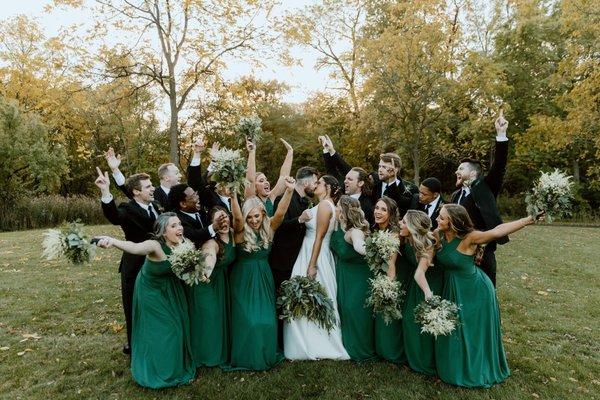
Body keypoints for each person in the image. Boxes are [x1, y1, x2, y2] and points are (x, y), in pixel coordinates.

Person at [435, 204, 539, 388]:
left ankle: (476, 369)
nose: (437, 219)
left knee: (472, 330)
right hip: (452, 288)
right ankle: (456, 367)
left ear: (453, 222)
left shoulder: (469, 237)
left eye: (441, 217)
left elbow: (497, 231)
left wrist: (528, 219)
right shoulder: (439, 235)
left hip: (475, 291)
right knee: (455, 329)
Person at [94, 213, 195, 389]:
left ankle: (175, 367)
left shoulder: (185, 244)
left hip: (171, 289)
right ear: (164, 232)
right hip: (151, 291)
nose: (179, 228)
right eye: (173, 226)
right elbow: (134, 247)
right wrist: (112, 241)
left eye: (179, 224)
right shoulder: (154, 245)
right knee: (163, 330)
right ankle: (159, 371)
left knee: (177, 327)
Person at [223, 177, 296, 371]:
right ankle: (246, 356)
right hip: (242, 280)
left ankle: (265, 353)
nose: (254, 221)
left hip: (264, 277)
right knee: (248, 321)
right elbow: (237, 218)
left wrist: (289, 191)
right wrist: (233, 197)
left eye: (257, 216)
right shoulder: (239, 232)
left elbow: (280, 213)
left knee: (266, 321)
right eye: (250, 217)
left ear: (263, 214)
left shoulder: (269, 229)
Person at [95, 167, 160, 355]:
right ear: (136, 192)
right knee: (133, 306)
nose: (152, 188)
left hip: (156, 263)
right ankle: (135, 346)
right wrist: (105, 191)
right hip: (135, 266)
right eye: (148, 186)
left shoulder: (155, 206)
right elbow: (114, 217)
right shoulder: (127, 208)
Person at [283, 175, 349, 361]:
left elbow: (319, 237)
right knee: (309, 296)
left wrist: (312, 265)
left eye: (319, 182)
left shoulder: (326, 206)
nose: (315, 184)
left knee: (313, 295)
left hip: (314, 254)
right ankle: (305, 341)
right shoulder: (324, 205)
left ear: (327, 187)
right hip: (310, 251)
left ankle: (316, 344)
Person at [451, 110, 510, 286]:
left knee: (485, 289)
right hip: (459, 250)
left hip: (482, 252)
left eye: (461, 169)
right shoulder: (455, 195)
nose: (457, 171)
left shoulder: (486, 187)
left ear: (474, 173)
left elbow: (499, 165)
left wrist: (501, 134)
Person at [184, 206, 235, 368]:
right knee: (208, 319)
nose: (223, 222)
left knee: (218, 318)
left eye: (225, 217)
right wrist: (206, 271)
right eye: (218, 220)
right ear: (212, 224)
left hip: (222, 282)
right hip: (207, 283)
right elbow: (209, 256)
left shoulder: (234, 234)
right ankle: (205, 356)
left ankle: (220, 351)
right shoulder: (211, 242)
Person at [320, 134, 417, 218]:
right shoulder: (375, 180)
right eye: (379, 166)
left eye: (384, 167)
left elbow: (401, 204)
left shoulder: (410, 188)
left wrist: (392, 179)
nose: (379, 169)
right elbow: (350, 171)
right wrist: (331, 150)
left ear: (396, 169)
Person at [330, 195, 377, 361]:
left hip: (359, 276)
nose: (334, 209)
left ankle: (361, 349)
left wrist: (377, 248)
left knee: (355, 310)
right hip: (344, 274)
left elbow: (360, 247)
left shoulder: (355, 232)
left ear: (343, 212)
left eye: (337, 207)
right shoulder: (336, 226)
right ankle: (347, 345)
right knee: (345, 308)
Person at [399, 210, 442, 376]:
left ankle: (424, 363)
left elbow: (419, 273)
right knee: (410, 321)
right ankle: (413, 360)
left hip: (429, 286)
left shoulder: (428, 244)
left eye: (403, 222)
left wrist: (428, 294)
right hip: (416, 285)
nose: (400, 224)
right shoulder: (408, 239)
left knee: (421, 322)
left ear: (412, 226)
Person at [371, 196, 407, 364]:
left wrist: (389, 287)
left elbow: (391, 263)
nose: (378, 212)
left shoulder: (394, 234)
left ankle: (391, 351)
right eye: (377, 208)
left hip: (391, 277)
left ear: (391, 214)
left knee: (389, 313)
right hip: (376, 275)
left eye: (383, 209)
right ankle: (380, 349)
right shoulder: (374, 229)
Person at [103, 147, 182, 211]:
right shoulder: (152, 194)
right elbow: (129, 189)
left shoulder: (185, 192)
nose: (180, 175)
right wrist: (115, 169)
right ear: (166, 177)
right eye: (176, 173)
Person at [168, 183, 228, 248]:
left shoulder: (199, 209)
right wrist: (213, 227)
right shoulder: (177, 220)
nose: (198, 197)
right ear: (183, 204)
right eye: (193, 196)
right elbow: (194, 235)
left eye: (196, 193)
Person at [244, 138, 294, 216]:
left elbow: (284, 177)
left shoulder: (271, 197)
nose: (266, 182)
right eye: (261, 181)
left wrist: (290, 152)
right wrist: (252, 152)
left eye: (266, 180)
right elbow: (250, 180)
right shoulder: (251, 199)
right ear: (255, 187)